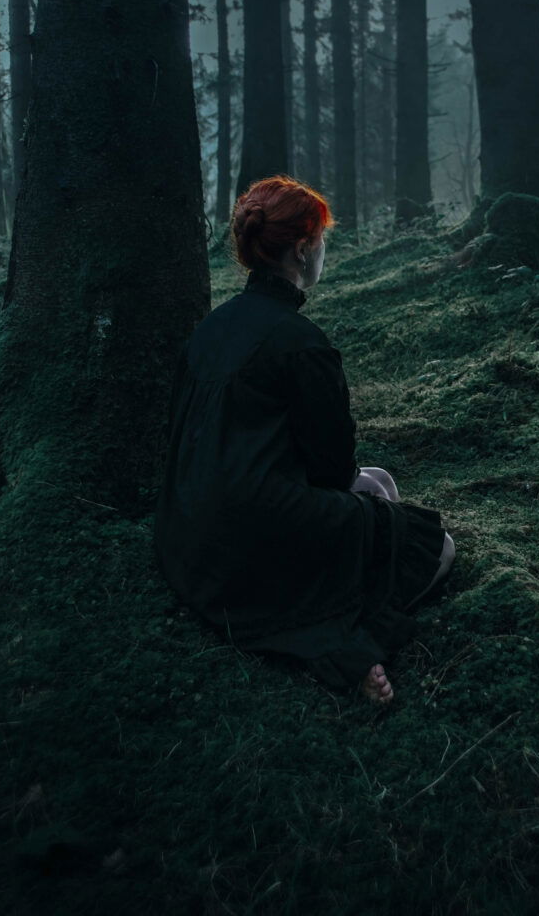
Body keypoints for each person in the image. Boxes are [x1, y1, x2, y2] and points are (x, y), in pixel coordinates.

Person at [154, 175, 455, 705]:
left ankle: (352, 584)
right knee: (439, 548)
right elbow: (332, 468)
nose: (324, 252)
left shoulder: (212, 327)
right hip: (256, 534)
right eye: (322, 242)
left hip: (189, 536)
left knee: (381, 483)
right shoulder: (300, 343)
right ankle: (354, 644)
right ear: (301, 249)